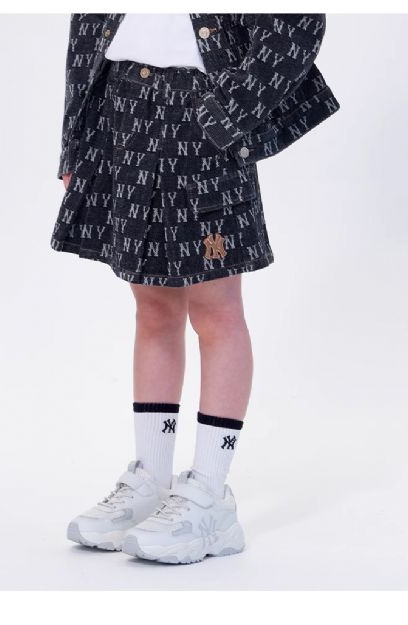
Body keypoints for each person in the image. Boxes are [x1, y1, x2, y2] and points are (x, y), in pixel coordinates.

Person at [51, 13, 340, 564]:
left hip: (203, 110)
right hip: (120, 108)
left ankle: (210, 494)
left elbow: (296, 20)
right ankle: (152, 481)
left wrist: (229, 112)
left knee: (216, 309)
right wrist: (75, 137)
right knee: (152, 307)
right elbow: (87, 19)